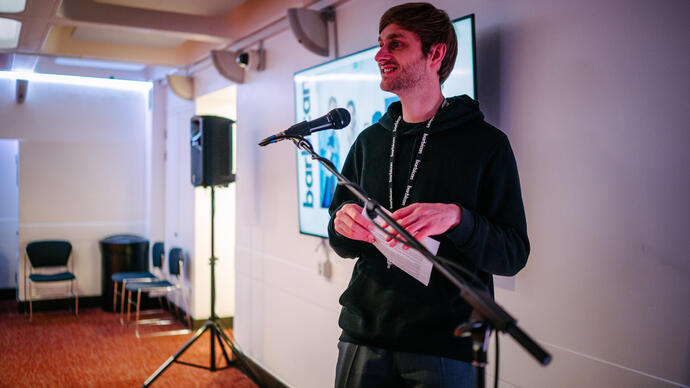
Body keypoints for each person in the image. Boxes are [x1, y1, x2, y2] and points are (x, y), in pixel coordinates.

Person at [327, 3, 530, 387]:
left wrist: (457, 218)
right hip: (363, 335)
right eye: (380, 44)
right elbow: (341, 239)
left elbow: (513, 254)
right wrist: (341, 224)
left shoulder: (486, 144)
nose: (380, 55)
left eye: (396, 44)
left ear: (435, 54)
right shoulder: (369, 141)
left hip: (445, 346)